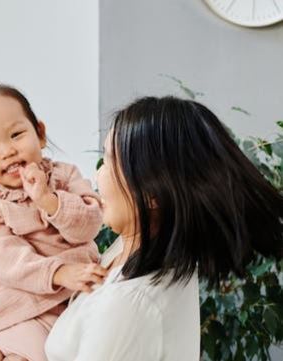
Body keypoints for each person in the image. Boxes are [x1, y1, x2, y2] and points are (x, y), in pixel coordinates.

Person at [45, 96, 283, 360]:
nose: (99, 173)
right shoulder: (130, 252)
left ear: (151, 193)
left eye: (110, 160)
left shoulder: (128, 305)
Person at [0, 83, 107, 361]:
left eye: (16, 134)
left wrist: (49, 200)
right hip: (16, 308)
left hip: (70, 302)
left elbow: (90, 224)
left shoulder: (64, 177)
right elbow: (8, 261)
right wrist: (59, 272)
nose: (7, 151)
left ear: (40, 134)